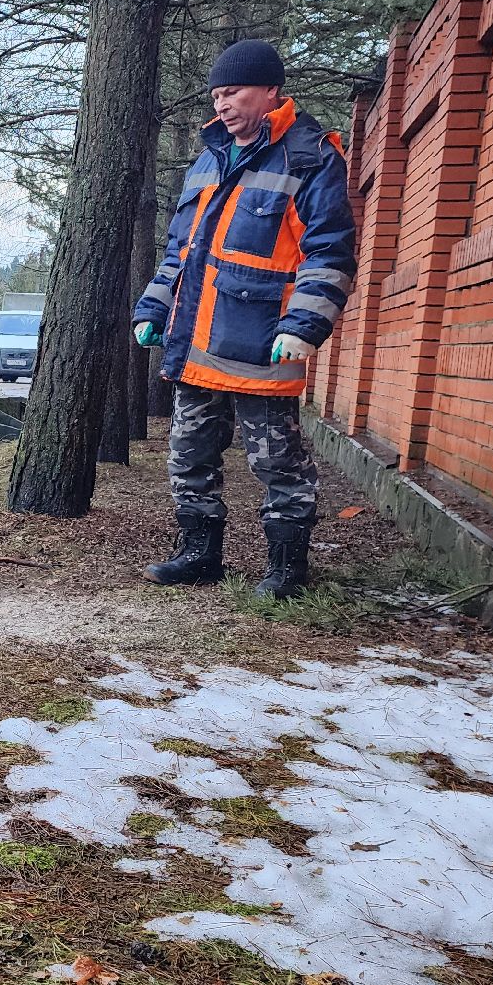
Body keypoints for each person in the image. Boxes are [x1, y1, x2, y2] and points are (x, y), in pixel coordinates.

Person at [132, 39, 356, 600]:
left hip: (263, 343)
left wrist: (301, 326)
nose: (223, 105)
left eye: (233, 93)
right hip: (197, 341)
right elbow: (179, 251)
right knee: (189, 456)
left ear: (271, 91)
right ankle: (200, 554)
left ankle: (285, 571)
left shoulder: (310, 156)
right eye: (216, 95)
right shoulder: (208, 158)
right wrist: (155, 307)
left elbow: (328, 252)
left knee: (277, 461)